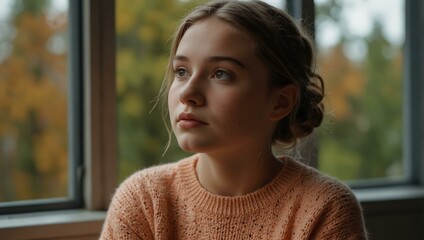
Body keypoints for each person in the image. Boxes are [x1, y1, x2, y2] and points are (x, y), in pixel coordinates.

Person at [100, 0, 367, 239]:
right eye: (181, 71)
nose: (188, 93)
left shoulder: (325, 209)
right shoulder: (144, 200)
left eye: (221, 74)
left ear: (281, 102)